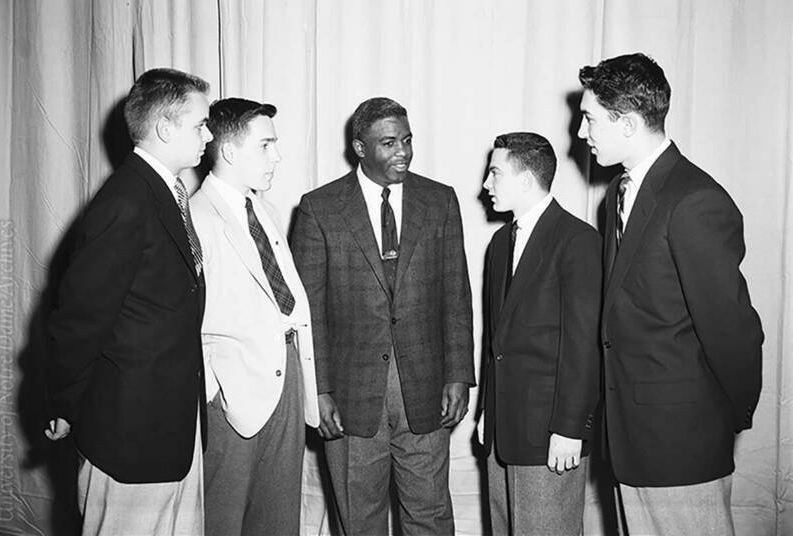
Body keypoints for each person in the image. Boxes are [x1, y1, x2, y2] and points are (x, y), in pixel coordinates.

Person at [577, 52, 764, 535]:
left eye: (590, 119)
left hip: (681, 441)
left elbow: (733, 331)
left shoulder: (695, 200)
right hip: (631, 440)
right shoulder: (618, 195)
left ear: (629, 123)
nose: (581, 132)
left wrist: (721, 418)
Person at [290, 96, 474, 535]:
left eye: (407, 140)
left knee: (429, 516)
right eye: (389, 143)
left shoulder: (440, 200)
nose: (404, 152)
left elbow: (456, 294)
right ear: (360, 147)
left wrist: (458, 375)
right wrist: (318, 390)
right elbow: (307, 310)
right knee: (359, 520)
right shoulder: (319, 208)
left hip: (426, 390)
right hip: (351, 397)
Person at [45, 68, 212, 535]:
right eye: (200, 124)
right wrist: (63, 403)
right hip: (129, 434)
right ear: (164, 128)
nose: (210, 135)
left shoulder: (164, 191)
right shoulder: (126, 200)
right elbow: (78, 320)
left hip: (171, 426)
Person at [189, 97, 319, 536]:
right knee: (224, 518)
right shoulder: (195, 217)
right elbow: (184, 318)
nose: (276, 156)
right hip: (232, 394)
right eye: (266, 145)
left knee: (279, 517)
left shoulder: (261, 209)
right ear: (229, 151)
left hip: (285, 380)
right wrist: (214, 391)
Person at [477, 132, 602, 535]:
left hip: (551, 434)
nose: (486, 184)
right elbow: (494, 340)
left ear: (526, 180)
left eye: (495, 174)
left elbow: (585, 346)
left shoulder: (578, 241)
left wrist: (570, 428)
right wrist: (486, 412)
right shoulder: (499, 244)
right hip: (503, 432)